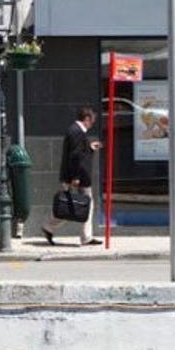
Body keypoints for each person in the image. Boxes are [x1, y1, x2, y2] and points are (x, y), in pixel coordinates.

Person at [43, 105, 102, 246]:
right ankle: (85, 237)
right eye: (92, 121)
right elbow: (75, 156)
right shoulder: (77, 132)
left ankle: (49, 227)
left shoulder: (74, 131)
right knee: (82, 205)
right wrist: (76, 177)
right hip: (77, 175)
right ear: (86, 119)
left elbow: (78, 152)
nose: (92, 124)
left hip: (75, 175)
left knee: (71, 205)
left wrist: (89, 147)